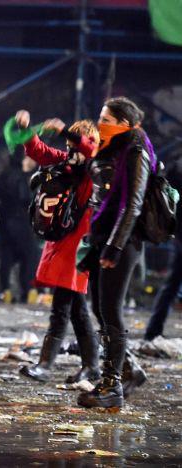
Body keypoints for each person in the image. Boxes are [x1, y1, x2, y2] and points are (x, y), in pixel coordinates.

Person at [13, 112, 102, 384]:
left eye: (76, 144)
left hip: (77, 245)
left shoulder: (92, 167)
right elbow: (38, 151)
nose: (71, 149)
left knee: (62, 307)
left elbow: (90, 149)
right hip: (62, 242)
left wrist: (65, 131)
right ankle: (91, 367)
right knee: (76, 308)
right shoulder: (64, 162)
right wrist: (27, 129)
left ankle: (45, 365)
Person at [76, 97, 151, 409]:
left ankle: (112, 386)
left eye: (106, 118)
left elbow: (132, 203)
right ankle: (129, 368)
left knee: (111, 311)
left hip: (123, 241)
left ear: (124, 124)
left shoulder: (136, 151)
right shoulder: (111, 149)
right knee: (99, 308)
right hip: (103, 238)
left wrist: (115, 246)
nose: (100, 122)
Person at [0, 148, 41, 304]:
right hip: (22, 222)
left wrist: (1, 212)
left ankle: (6, 291)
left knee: (6, 257)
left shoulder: (0, 176)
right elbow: (26, 198)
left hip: (5, 222)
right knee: (29, 257)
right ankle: (28, 291)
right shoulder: (22, 177)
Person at [144, 154, 182, 341]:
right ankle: (153, 330)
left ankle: (153, 330)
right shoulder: (177, 169)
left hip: (179, 235)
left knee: (171, 286)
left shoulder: (175, 167)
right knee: (171, 286)